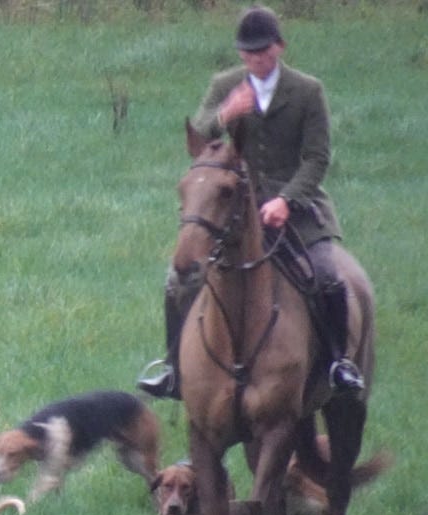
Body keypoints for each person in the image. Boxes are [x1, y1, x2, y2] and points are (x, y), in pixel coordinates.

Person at [137, 5, 364, 400]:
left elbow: (316, 158)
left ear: (279, 47)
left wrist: (286, 200)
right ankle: (174, 369)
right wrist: (227, 113)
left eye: (262, 52)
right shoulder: (225, 83)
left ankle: (337, 362)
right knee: (178, 280)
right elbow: (199, 135)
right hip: (231, 206)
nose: (255, 60)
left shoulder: (307, 90)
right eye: (247, 53)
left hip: (295, 206)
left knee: (328, 275)